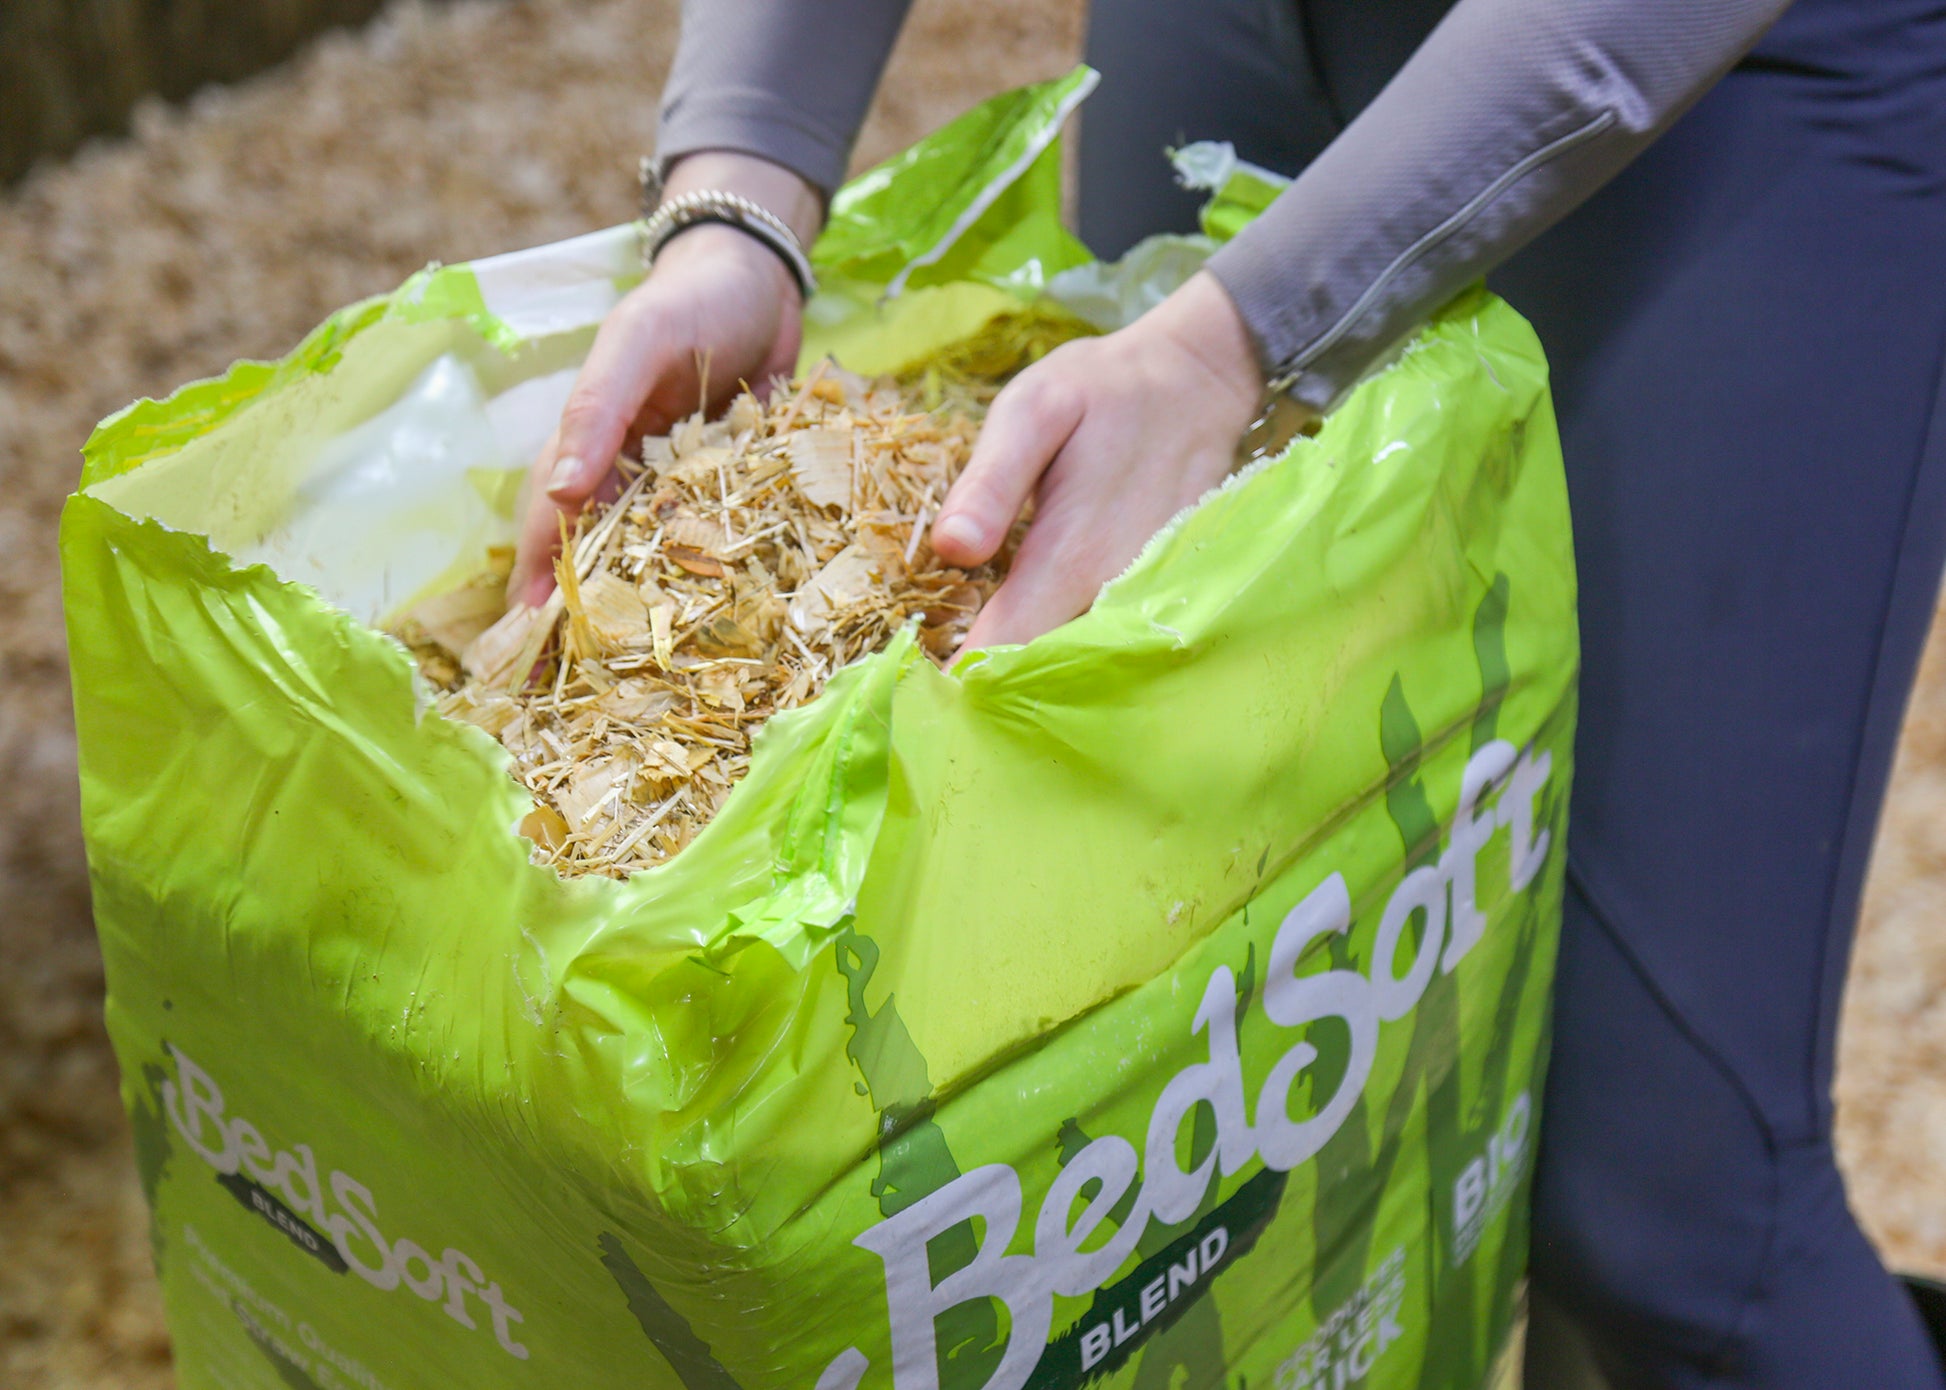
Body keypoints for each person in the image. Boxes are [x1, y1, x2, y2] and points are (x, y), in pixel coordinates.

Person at [506, 2, 1946, 1385]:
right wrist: (739, 202)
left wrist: (1224, 345)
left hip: (1719, 88)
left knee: (1661, 1205)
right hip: (1227, 37)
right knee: (1192, 1044)